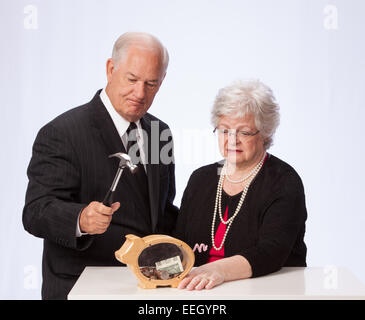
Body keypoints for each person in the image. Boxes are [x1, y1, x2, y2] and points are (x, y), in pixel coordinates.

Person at [23, 32, 178, 299]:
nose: (140, 93)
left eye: (151, 83)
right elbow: (36, 212)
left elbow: (162, 211)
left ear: (162, 81)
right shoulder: (62, 133)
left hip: (147, 286)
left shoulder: (159, 132)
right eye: (132, 79)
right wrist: (80, 219)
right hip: (82, 285)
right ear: (110, 69)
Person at [174, 80, 307, 290]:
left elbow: (271, 252)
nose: (232, 140)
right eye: (225, 131)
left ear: (265, 134)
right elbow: (179, 244)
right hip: (200, 295)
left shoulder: (283, 181)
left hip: (269, 292)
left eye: (244, 132)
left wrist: (217, 270)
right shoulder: (201, 179)